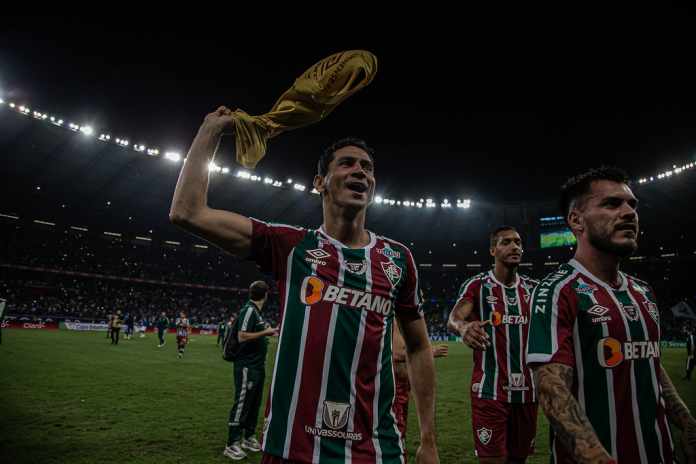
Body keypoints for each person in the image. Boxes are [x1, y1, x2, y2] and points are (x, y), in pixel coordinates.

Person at [170, 107, 439, 464]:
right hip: (291, 447)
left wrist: (429, 441)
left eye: (367, 167)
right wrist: (210, 131)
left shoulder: (397, 259)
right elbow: (187, 212)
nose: (360, 171)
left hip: (375, 450)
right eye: (346, 163)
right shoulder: (291, 246)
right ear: (319, 182)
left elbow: (419, 348)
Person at [527, 167, 696, 463]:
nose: (629, 212)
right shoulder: (556, 291)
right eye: (612, 204)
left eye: (632, 204)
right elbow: (552, 389)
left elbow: (649, 364)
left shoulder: (643, 292)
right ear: (576, 220)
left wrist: (686, 422)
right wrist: (596, 457)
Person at [447, 226, 539, 463]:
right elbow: (455, 318)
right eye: (506, 242)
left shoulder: (534, 290)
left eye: (518, 242)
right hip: (490, 391)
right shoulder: (477, 286)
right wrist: (464, 327)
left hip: (528, 393)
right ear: (492, 250)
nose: (514, 246)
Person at [225, 281, 277, 460]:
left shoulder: (257, 313)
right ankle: (232, 443)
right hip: (246, 365)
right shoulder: (249, 310)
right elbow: (242, 336)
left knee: (254, 402)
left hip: (257, 365)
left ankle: (248, 437)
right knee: (242, 402)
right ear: (266, 295)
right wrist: (266, 333)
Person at [391, 319, 448, 460]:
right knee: (394, 440)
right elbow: (397, 353)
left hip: (403, 387)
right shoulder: (392, 317)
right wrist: (430, 352)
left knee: (399, 436)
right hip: (394, 389)